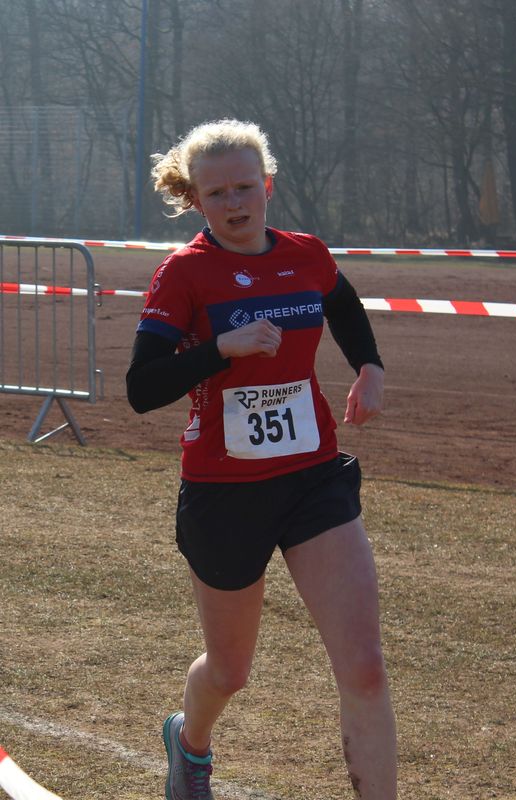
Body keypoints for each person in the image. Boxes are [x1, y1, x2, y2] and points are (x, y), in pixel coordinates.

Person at [126, 119, 397, 800]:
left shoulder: (306, 254)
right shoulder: (183, 273)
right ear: (196, 199)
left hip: (312, 478)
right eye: (217, 193)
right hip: (224, 493)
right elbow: (141, 388)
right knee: (230, 671)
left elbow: (341, 304)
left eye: (245, 187)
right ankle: (190, 743)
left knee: (364, 668)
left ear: (267, 186)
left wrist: (368, 366)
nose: (234, 203)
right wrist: (222, 348)